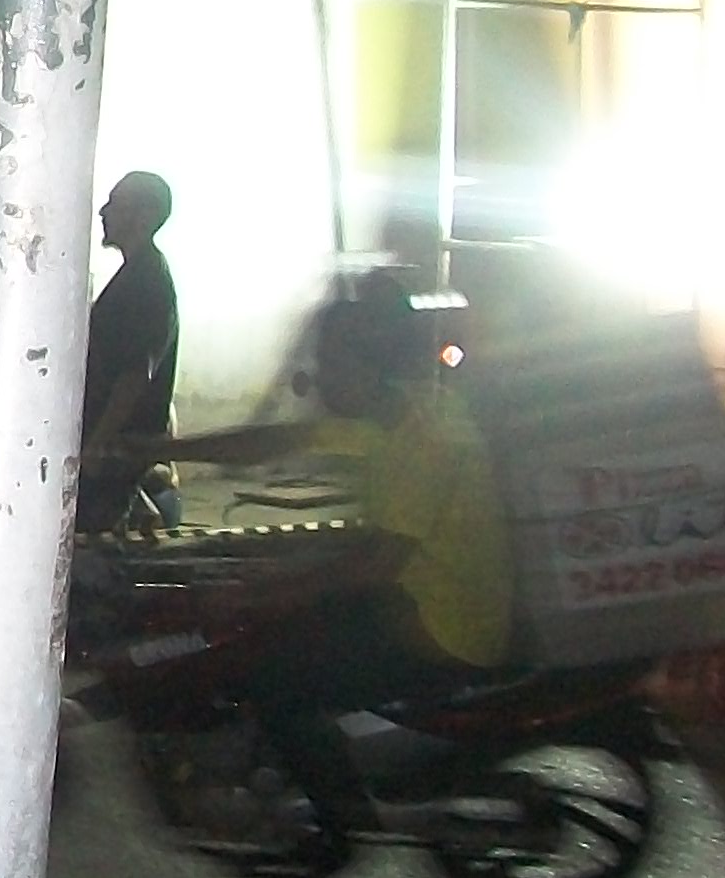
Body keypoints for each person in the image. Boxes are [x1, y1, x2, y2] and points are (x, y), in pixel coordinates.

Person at [153, 288, 511, 838]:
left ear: (370, 367)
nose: (318, 376)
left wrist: (250, 595)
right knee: (271, 625)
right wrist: (156, 451)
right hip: (412, 599)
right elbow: (275, 441)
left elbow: (373, 566)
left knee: (277, 681)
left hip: (442, 627)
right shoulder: (390, 415)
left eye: (331, 362)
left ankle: (345, 827)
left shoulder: (427, 441)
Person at [77, 171, 182, 535]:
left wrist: (99, 443)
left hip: (115, 450)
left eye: (115, 203)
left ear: (144, 215)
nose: (103, 211)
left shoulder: (147, 284)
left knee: (93, 544)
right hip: (110, 445)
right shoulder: (136, 276)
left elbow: (136, 375)